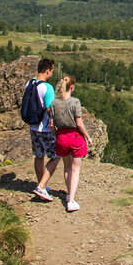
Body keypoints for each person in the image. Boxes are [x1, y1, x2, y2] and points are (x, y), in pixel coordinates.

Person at [50, 75, 91, 212]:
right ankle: (71, 200)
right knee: (75, 169)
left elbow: (51, 125)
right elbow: (79, 123)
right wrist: (88, 137)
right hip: (75, 137)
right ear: (72, 87)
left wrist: (57, 136)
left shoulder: (54, 103)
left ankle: (69, 194)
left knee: (67, 167)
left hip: (61, 137)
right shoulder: (75, 102)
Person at [27, 57, 58, 202]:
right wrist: (54, 126)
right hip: (44, 128)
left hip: (32, 126)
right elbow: (49, 109)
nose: (52, 73)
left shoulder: (30, 83)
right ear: (47, 71)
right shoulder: (47, 88)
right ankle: (42, 186)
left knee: (39, 156)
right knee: (56, 156)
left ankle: (41, 185)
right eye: (52, 71)